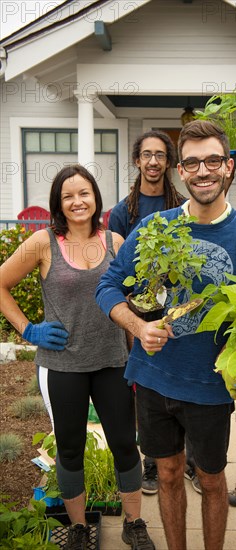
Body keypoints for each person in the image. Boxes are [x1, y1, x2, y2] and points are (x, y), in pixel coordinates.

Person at [96, 120, 236, 550]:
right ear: (180, 171)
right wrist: (138, 326)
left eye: (213, 160)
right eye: (192, 162)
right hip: (154, 378)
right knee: (170, 473)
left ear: (229, 167)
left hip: (211, 385)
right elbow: (108, 286)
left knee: (213, 480)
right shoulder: (156, 228)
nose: (203, 171)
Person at [0, 165, 155, 550]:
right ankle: (79, 527)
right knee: (70, 447)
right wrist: (27, 329)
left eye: (84, 193)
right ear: (59, 203)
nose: (77, 201)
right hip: (62, 365)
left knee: (124, 442)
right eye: (68, 196)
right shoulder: (42, 243)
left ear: (95, 198)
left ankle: (133, 523)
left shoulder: (117, 242)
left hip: (112, 361)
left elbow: (137, 296)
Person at [109, 130, 200, 495]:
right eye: (146, 155)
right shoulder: (123, 212)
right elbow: (116, 272)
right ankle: (152, 462)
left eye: (160, 155)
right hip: (141, 313)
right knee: (144, 389)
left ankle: (192, 462)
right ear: (137, 161)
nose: (152, 161)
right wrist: (131, 322)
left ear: (169, 163)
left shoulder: (180, 205)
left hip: (182, 310)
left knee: (189, 385)